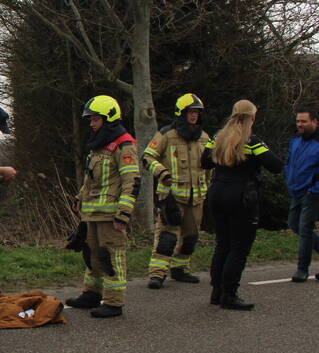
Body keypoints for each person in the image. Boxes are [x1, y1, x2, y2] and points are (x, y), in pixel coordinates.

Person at [201, 100, 282, 310]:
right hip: (241, 197)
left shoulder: (218, 138)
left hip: (217, 193)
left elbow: (204, 162)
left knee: (222, 244)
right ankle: (229, 294)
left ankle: (217, 291)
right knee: (239, 247)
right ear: (253, 118)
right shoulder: (252, 142)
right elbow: (276, 166)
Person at [65, 95, 140, 318]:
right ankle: (91, 294)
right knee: (91, 256)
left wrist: (123, 214)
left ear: (109, 118)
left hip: (110, 216)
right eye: (91, 119)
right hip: (92, 214)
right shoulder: (98, 145)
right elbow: (91, 180)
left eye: (95, 119)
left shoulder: (124, 145)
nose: (91, 124)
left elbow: (131, 181)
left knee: (110, 257)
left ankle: (114, 302)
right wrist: (79, 197)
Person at [141, 93, 211, 288]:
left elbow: (208, 168)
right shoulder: (167, 134)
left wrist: (208, 189)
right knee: (167, 237)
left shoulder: (204, 138)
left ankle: (180, 269)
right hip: (171, 197)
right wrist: (162, 173)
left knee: (191, 237)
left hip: (196, 198)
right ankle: (157, 274)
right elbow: (147, 157)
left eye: (197, 112)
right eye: (190, 112)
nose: (194, 115)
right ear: (181, 113)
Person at [285, 109, 319, 282]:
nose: (299, 124)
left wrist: (314, 189)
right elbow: (289, 162)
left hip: (312, 193)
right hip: (296, 191)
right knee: (294, 224)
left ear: (314, 122)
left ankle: (302, 269)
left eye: (303, 121)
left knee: (305, 228)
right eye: (298, 121)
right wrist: (288, 180)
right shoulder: (296, 141)